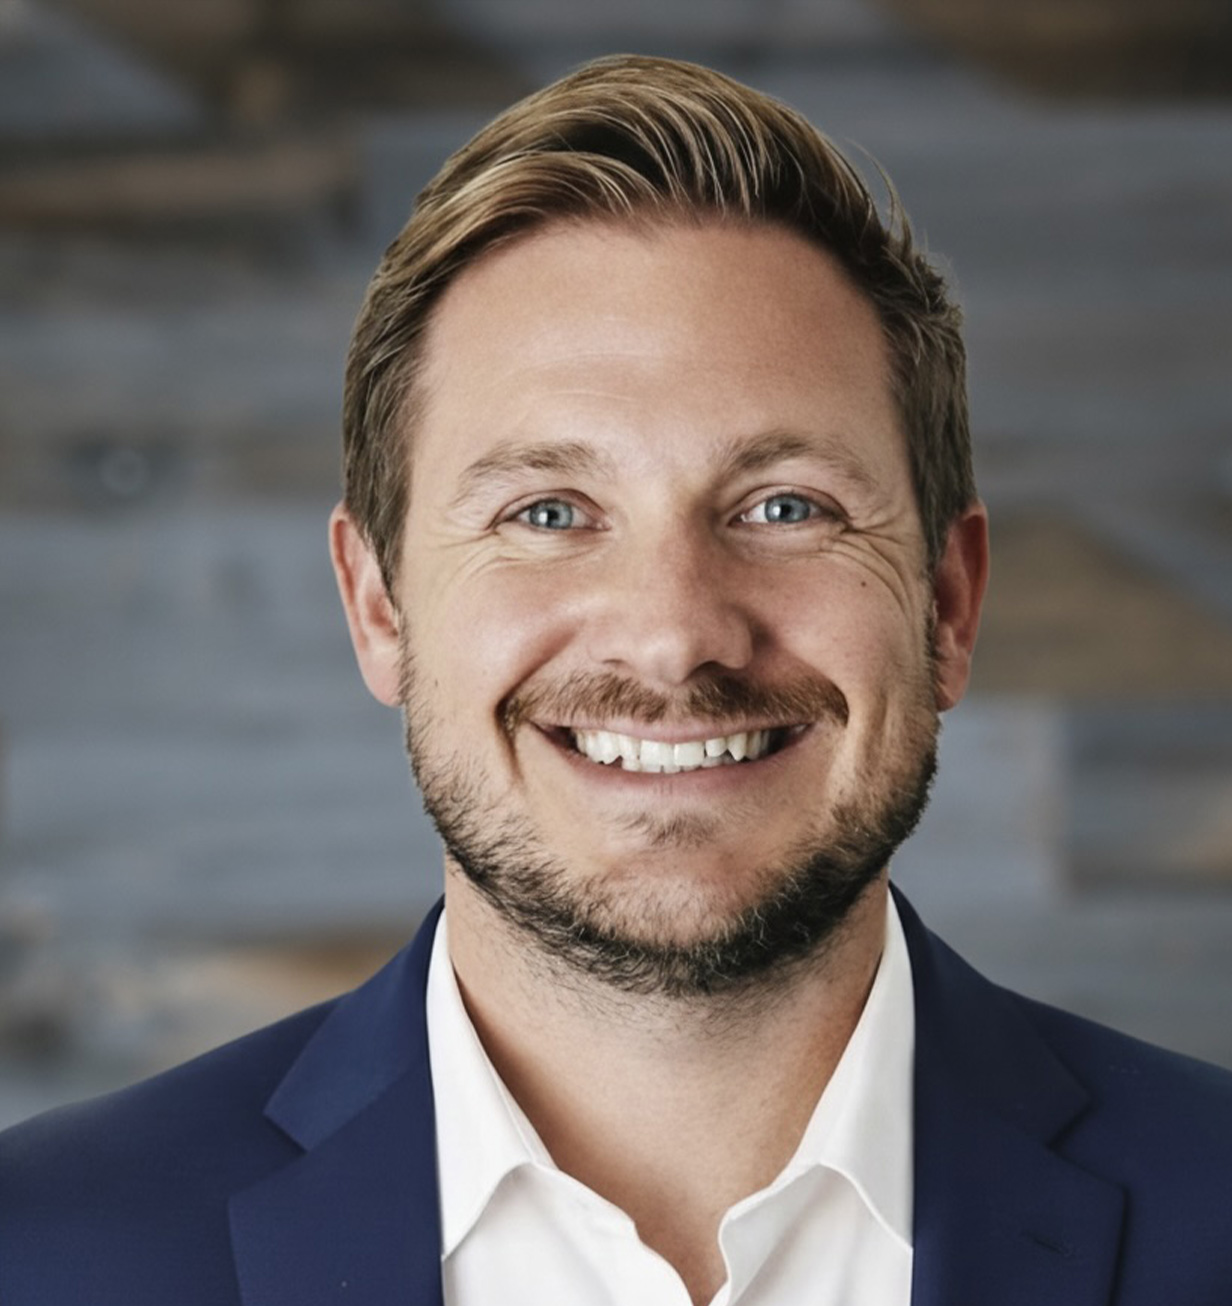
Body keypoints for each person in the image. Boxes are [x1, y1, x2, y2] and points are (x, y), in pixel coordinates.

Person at [1, 53, 1229, 1306]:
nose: (671, 636)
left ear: (947, 601)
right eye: (547, 511)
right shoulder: (38, 1254)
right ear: (377, 607)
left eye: (784, 504)